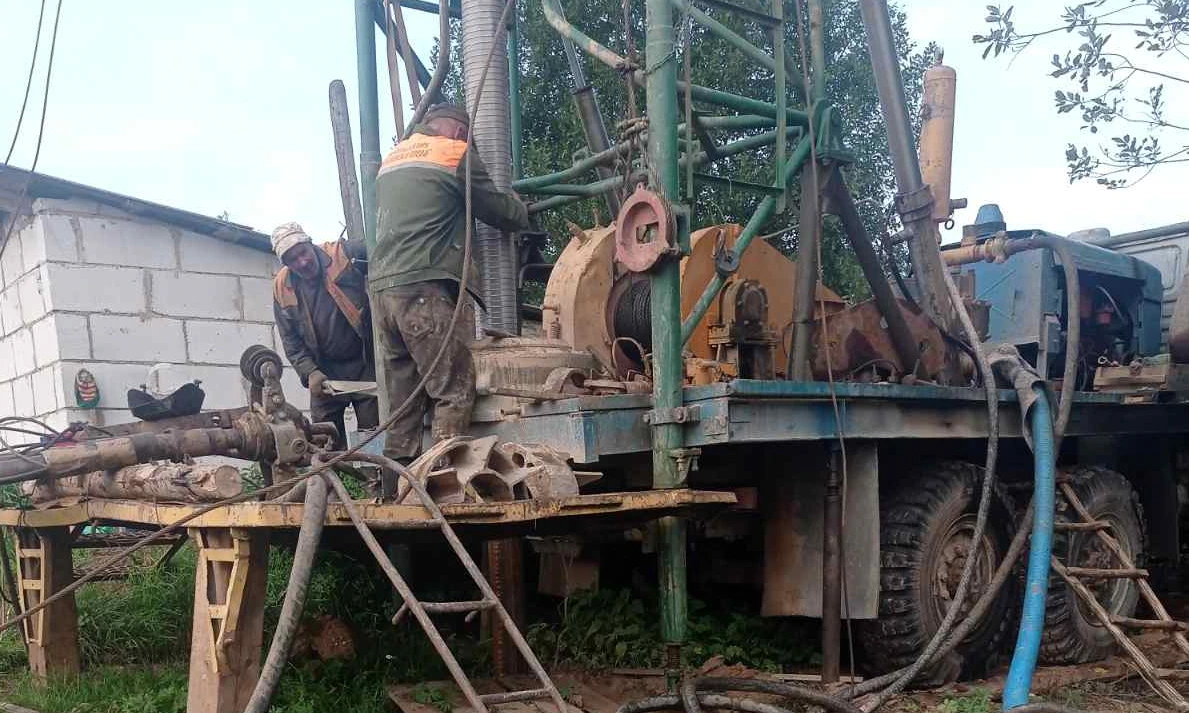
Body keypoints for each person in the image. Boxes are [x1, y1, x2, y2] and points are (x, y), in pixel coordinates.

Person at [370, 103, 529, 463]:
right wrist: (521, 209)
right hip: (424, 289)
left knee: (404, 404)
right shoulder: (455, 153)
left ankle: (398, 490)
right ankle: (444, 485)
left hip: (383, 292)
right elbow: (499, 210)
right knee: (453, 390)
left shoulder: (393, 157)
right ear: (459, 133)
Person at [272, 221, 379, 447]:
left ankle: (376, 480)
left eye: (303, 252)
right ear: (286, 264)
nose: (302, 262)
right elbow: (290, 339)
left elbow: (383, 248)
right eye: (293, 260)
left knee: (373, 435)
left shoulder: (342, 254)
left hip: (363, 364)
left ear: (310, 243)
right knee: (325, 439)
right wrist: (310, 372)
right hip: (325, 372)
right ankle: (330, 480)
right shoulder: (282, 287)